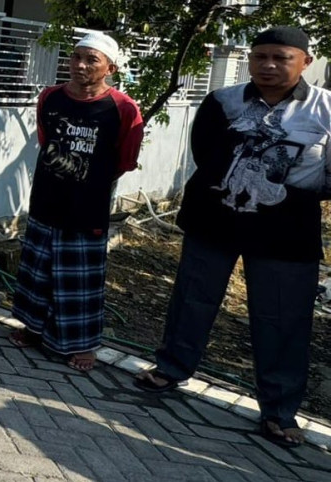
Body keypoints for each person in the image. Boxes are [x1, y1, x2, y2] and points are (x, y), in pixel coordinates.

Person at [135, 27, 327, 448]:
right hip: (217, 219)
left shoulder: (324, 110)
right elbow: (205, 153)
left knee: (283, 318)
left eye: (281, 58)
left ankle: (279, 411)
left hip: (287, 230)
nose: (269, 66)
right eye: (260, 57)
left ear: (305, 61)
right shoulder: (223, 101)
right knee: (192, 297)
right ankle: (171, 368)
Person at [10, 32, 143, 372]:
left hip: (87, 206)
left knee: (80, 279)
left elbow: (126, 159)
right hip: (46, 198)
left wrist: (91, 180)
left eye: (91, 60)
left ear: (109, 68)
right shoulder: (51, 98)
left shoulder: (124, 108)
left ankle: (81, 344)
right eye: (75, 57)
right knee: (38, 271)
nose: (80, 65)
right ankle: (33, 328)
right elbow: (45, 139)